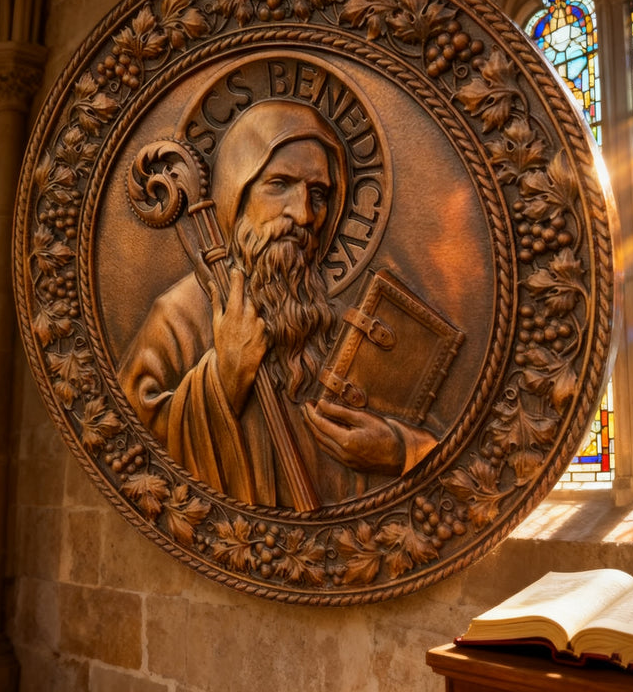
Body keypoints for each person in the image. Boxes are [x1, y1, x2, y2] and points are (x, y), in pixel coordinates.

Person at [119, 100, 437, 508]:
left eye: (318, 193)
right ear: (236, 192)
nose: (304, 214)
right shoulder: (179, 317)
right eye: (280, 184)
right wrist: (224, 377)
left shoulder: (331, 317)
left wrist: (399, 451)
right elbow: (130, 452)